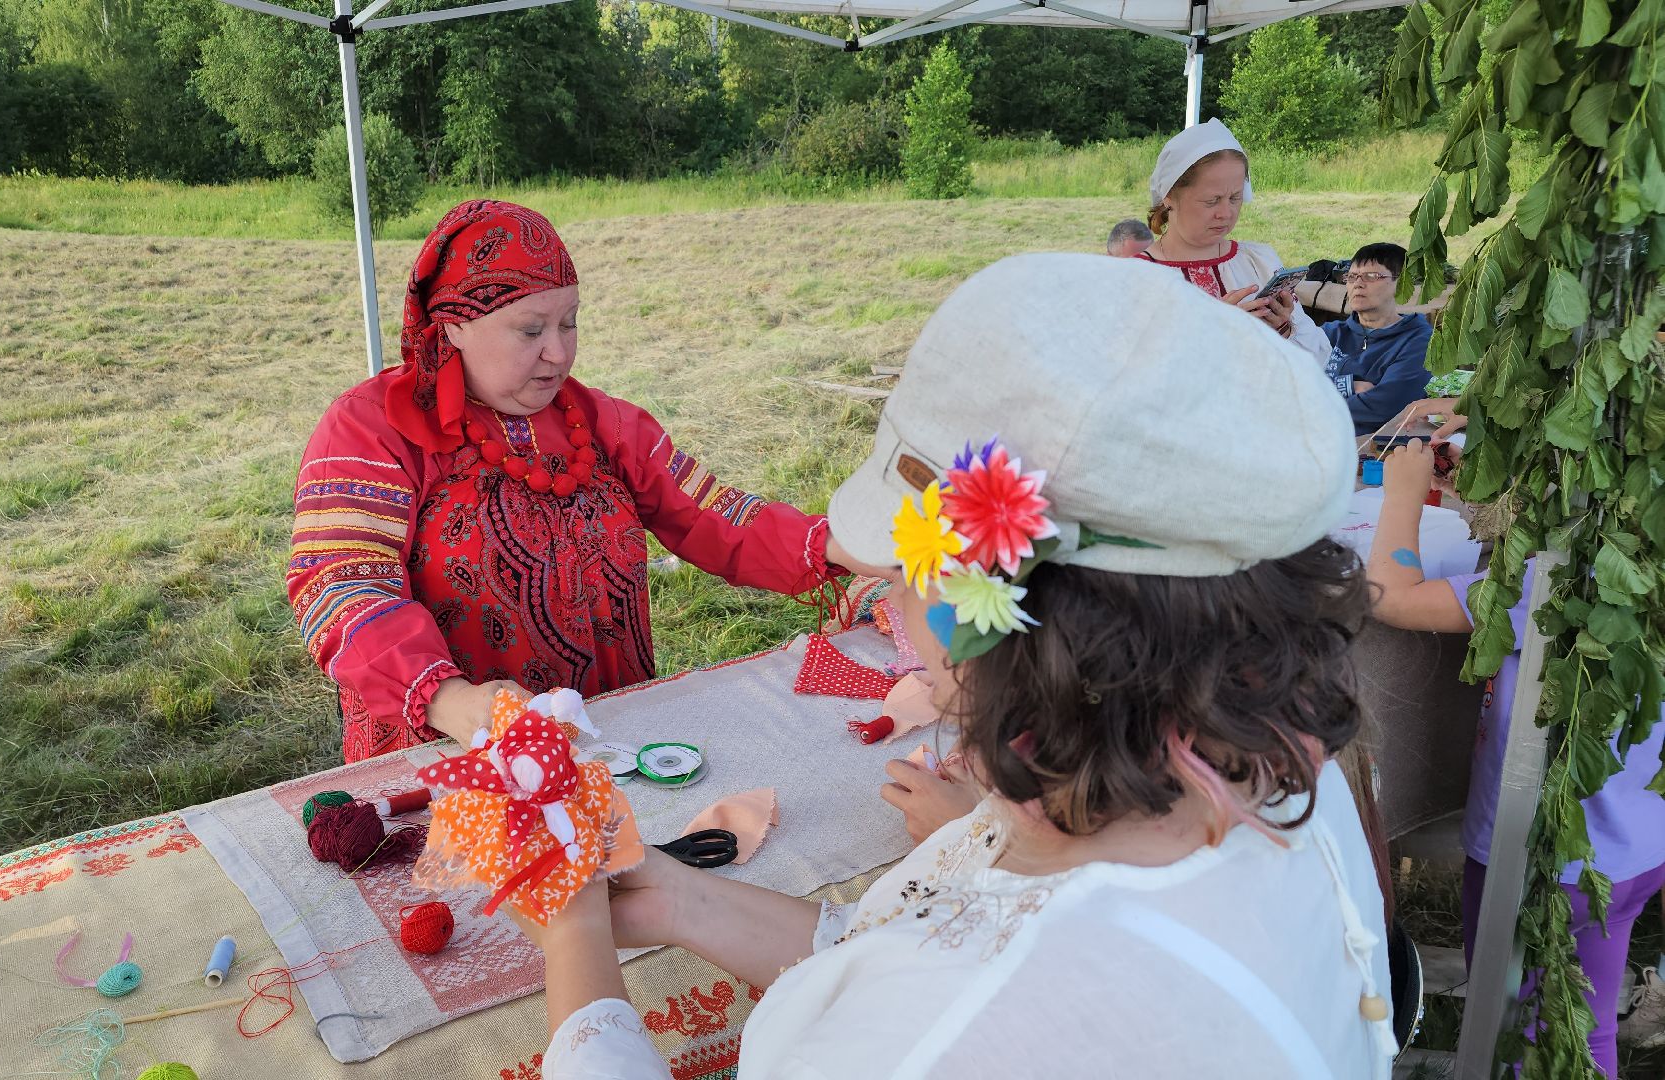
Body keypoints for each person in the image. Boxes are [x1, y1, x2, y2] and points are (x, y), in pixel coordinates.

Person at [515, 254, 1396, 1078]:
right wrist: (679, 901)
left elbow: (935, 994)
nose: (892, 608)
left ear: (991, 616)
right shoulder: (1254, 772)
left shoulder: (950, 1035)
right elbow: (909, 943)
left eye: (902, 574)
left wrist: (573, 941)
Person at [289, 200, 864, 761]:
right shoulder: (374, 428)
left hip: (602, 739)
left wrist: (856, 546)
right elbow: (341, 582)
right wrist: (450, 700)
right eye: (530, 330)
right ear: (456, 326)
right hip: (451, 752)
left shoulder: (597, 422)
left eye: (569, 322)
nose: (558, 354)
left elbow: (712, 512)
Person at [1365, 440, 1665, 1079]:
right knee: (1583, 1024)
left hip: (1536, 864)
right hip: (1637, 851)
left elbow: (1388, 594)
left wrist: (1403, 495)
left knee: (1513, 1034)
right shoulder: (1646, 574)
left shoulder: (1551, 586)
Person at [1138, 119, 1331, 362]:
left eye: (1235, 198)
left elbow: (1320, 360)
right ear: (1169, 196)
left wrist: (1283, 329)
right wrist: (1217, 336)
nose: (1226, 213)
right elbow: (1126, 380)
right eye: (1212, 200)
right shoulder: (1138, 278)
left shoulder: (1257, 263)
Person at [1320, 243, 1433, 435]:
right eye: (1352, 276)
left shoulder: (1419, 341)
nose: (1358, 284)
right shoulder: (1329, 333)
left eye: (1371, 276)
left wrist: (1306, 406)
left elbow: (1385, 406)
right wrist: (1350, 385)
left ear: (1402, 284)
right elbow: (1285, 385)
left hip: (1373, 453)